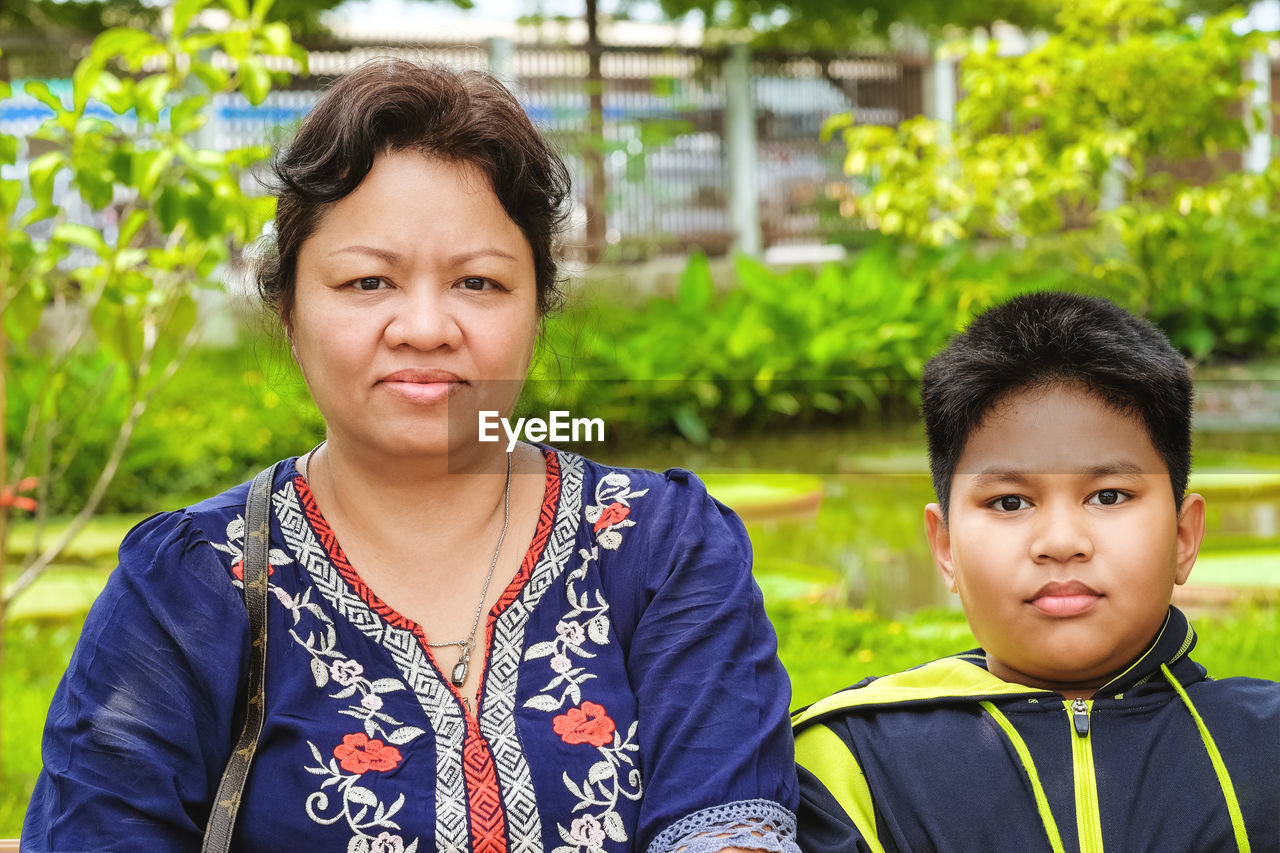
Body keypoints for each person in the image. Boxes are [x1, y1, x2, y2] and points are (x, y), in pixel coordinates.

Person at [24, 60, 799, 853]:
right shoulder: (188, 584)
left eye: (477, 281)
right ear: (289, 308)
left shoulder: (662, 547)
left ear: (537, 310)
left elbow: (729, 830)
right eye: (368, 282)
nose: (425, 326)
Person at [793, 292, 1280, 852]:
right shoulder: (847, 764)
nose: (1060, 543)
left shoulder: (1265, 748)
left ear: (1183, 537)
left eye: (1109, 495)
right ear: (945, 546)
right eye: (1009, 503)